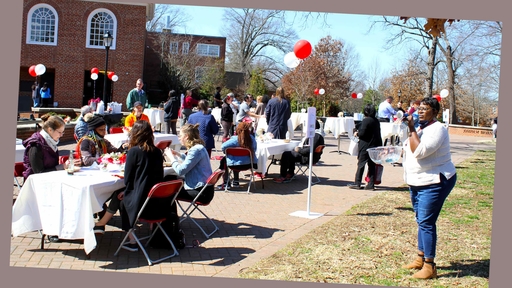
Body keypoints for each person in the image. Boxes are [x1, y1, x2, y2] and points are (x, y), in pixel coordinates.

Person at [401, 97, 457, 279]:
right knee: (421, 220)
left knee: (426, 222)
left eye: (425, 109)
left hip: (434, 181)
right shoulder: (420, 127)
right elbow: (409, 147)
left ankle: (430, 266)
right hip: (417, 181)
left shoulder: (438, 129)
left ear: (435, 112)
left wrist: (410, 128)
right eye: (419, 108)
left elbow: (419, 152)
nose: (421, 111)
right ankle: (420, 257)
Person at [94, 121, 166, 251]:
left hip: (141, 201)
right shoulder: (157, 151)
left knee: (121, 199)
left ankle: (132, 240)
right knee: (120, 194)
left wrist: (127, 190)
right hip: (156, 202)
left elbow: (128, 179)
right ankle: (101, 224)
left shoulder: (134, 151)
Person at [165, 123, 214, 214]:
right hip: (205, 189)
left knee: (167, 191)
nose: (179, 138)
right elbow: (191, 161)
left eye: (180, 135)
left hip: (200, 192)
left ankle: (170, 222)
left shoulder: (195, 150)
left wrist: (171, 158)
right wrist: (178, 154)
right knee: (169, 179)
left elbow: (180, 171)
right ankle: (171, 221)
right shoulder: (199, 148)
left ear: (186, 137)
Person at [22, 114, 78, 179]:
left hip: (49, 180)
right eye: (60, 132)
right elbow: (38, 173)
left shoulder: (51, 143)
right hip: (34, 184)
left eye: (63, 132)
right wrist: (62, 166)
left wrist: (66, 165)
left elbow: (53, 166)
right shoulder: (35, 145)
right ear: (50, 130)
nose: (61, 135)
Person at [348, 104, 383, 190]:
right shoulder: (376, 121)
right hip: (374, 145)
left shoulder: (366, 120)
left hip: (365, 145)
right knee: (372, 165)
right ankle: (371, 184)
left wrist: (357, 133)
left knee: (361, 164)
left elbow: (362, 133)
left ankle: (357, 182)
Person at [217, 122, 258, 189]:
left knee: (227, 160)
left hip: (234, 164)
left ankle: (226, 182)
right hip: (249, 164)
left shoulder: (235, 139)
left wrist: (227, 152)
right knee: (237, 159)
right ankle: (236, 181)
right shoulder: (252, 139)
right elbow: (255, 149)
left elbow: (223, 146)